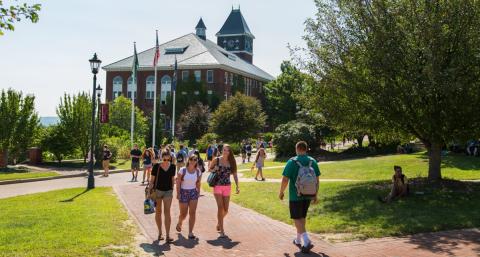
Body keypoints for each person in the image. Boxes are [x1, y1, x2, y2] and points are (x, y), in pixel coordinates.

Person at [279, 141, 320, 254]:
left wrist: (281, 192)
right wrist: (315, 194)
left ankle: (306, 241)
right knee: (302, 217)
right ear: (306, 149)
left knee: (296, 218)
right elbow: (317, 180)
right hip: (308, 195)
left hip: (295, 195)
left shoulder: (292, 162)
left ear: (297, 149)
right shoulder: (312, 161)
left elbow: (285, 179)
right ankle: (298, 239)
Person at [209, 144, 239, 238]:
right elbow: (209, 169)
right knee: (220, 208)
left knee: (226, 210)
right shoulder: (217, 160)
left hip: (227, 186)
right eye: (224, 150)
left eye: (228, 150)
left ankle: (219, 222)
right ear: (222, 150)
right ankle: (222, 231)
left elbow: (234, 175)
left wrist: (237, 186)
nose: (226, 152)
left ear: (230, 152)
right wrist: (214, 168)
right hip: (217, 185)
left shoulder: (232, 162)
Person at [149, 150, 176, 243]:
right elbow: (152, 180)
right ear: (161, 157)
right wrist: (149, 191)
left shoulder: (173, 166)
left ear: (170, 157)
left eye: (167, 158)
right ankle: (160, 233)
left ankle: (168, 235)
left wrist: (172, 189)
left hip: (168, 191)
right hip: (158, 191)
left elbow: (172, 179)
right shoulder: (156, 166)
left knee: (167, 212)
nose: (165, 160)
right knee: (158, 212)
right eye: (164, 158)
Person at [176, 155, 202, 239]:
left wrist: (198, 191)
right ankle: (180, 222)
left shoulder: (198, 171)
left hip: (193, 192)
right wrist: (178, 193)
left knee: (192, 212)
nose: (193, 161)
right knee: (183, 214)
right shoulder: (182, 170)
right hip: (183, 192)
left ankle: (190, 232)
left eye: (195, 160)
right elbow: (178, 182)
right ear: (188, 160)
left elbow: (198, 182)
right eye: (191, 159)